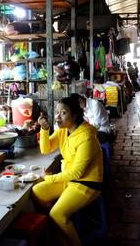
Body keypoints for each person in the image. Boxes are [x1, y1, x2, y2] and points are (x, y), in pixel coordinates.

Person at [32, 97, 103, 246]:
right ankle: (58, 229)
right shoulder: (64, 131)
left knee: (57, 213)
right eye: (57, 112)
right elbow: (46, 149)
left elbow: (77, 173)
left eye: (63, 113)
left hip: (86, 184)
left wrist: (49, 178)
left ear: (75, 115)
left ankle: (68, 236)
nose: (58, 116)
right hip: (69, 181)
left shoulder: (86, 136)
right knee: (37, 191)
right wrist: (44, 129)